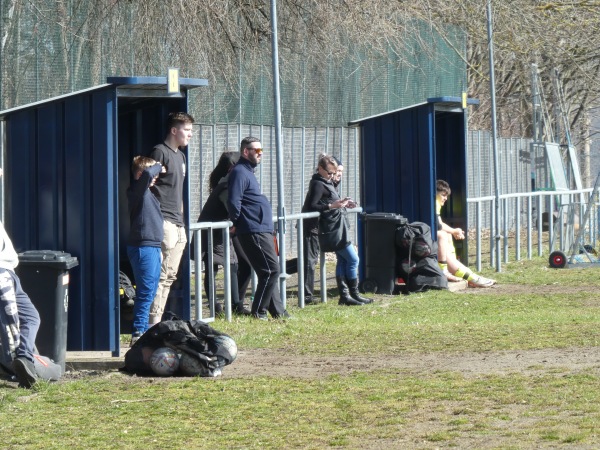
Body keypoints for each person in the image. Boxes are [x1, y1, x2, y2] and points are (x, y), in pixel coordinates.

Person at [227, 137, 290, 320]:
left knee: (269, 271)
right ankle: (259, 311)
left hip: (260, 227)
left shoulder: (248, 172)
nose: (260, 154)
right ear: (246, 152)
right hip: (253, 229)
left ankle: (278, 311)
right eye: (257, 150)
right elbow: (234, 201)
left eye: (262, 150)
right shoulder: (239, 172)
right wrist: (238, 223)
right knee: (270, 270)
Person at [0, 220, 62, 388]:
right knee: (13, 325)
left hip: (8, 273)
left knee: (30, 317)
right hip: (3, 273)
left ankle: (24, 360)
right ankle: (21, 360)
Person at [306, 154, 372, 306]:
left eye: (334, 173)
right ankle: (352, 293)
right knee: (354, 259)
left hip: (337, 226)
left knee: (343, 260)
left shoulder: (327, 182)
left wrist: (342, 203)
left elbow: (330, 201)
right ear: (320, 169)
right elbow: (313, 205)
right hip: (332, 230)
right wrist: (332, 206)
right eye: (329, 173)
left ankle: (346, 296)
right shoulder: (318, 183)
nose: (332, 176)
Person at [148, 112, 194, 325]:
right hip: (164, 221)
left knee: (170, 276)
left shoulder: (181, 156)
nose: (190, 135)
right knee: (160, 275)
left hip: (179, 223)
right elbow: (147, 185)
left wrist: (182, 219)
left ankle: (158, 320)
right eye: (187, 130)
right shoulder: (160, 151)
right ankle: (151, 322)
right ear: (174, 131)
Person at [197, 151, 251, 316]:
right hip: (212, 231)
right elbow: (234, 209)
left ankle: (236, 304)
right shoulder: (225, 185)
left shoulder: (229, 182)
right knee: (213, 269)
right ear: (231, 167)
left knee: (243, 265)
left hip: (226, 230)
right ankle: (218, 307)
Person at [126, 156, 164, 345]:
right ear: (140, 175)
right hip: (143, 247)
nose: (156, 176)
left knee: (151, 290)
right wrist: (160, 165)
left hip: (153, 247)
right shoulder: (136, 191)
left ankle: (143, 329)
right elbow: (149, 172)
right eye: (151, 173)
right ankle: (138, 332)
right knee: (146, 291)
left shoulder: (148, 194)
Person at [436, 179, 496, 288]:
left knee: (447, 234)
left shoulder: (437, 204)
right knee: (443, 235)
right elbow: (438, 225)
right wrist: (454, 231)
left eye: (446, 195)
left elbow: (439, 223)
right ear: (435, 194)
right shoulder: (435, 202)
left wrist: (453, 232)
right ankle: (466, 275)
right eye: (443, 195)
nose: (445, 198)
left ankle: (460, 273)